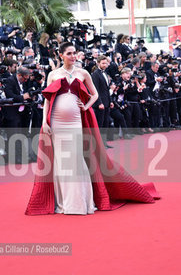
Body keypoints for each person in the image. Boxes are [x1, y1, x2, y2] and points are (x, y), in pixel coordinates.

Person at [25, 42, 159, 216]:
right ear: (61, 55)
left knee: (76, 158)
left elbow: (95, 94)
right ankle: (63, 202)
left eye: (75, 53)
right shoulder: (53, 74)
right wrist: (44, 121)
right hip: (56, 121)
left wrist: (86, 105)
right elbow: (47, 101)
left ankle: (81, 201)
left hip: (75, 121)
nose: (73, 56)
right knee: (60, 160)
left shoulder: (83, 72)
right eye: (69, 53)